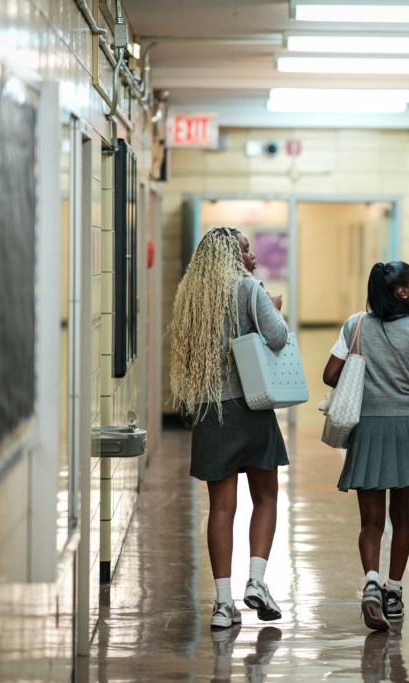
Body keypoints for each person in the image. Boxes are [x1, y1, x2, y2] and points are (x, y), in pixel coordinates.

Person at [169, 226, 287, 629]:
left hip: (208, 412)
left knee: (221, 508)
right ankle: (255, 580)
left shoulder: (190, 297)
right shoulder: (248, 289)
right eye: (246, 250)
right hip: (250, 407)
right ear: (231, 258)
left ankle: (223, 604)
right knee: (266, 497)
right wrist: (271, 305)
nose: (251, 256)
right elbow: (277, 336)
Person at [322, 261, 409, 631]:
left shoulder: (355, 324)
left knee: (371, 520)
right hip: (405, 427)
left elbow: (329, 375)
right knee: (401, 515)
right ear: (401, 293)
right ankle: (394, 591)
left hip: (368, 429)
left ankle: (371, 582)